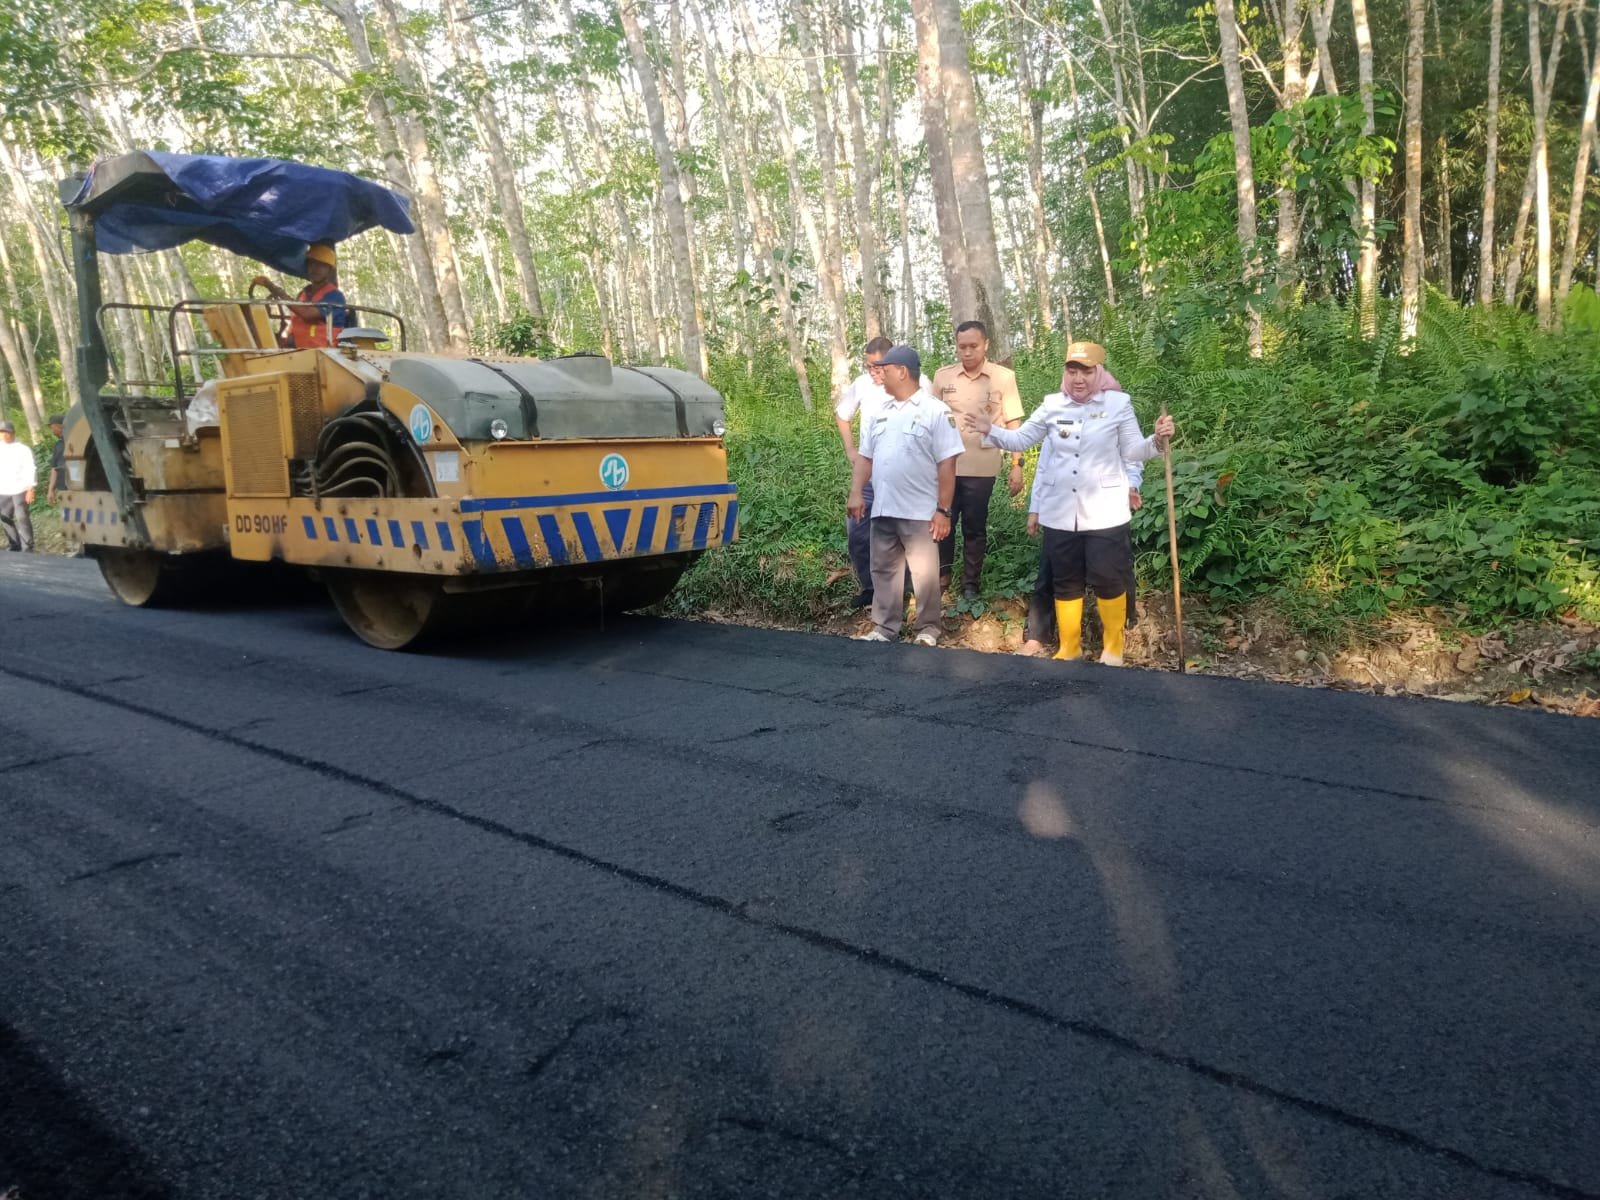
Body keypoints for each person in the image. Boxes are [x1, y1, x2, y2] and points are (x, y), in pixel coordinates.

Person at [966, 340, 1174, 666]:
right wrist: (990, 430)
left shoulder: (1118, 404)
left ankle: (1113, 648)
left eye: (1086, 371)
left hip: (1105, 511)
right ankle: (1070, 647)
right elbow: (1022, 439)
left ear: (1098, 372)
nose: (1078, 378)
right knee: (1066, 580)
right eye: (1072, 370)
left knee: (1108, 578)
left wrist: (1157, 441)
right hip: (1061, 511)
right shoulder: (1052, 405)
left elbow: (1133, 451)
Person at [847, 345, 963, 645]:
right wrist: (856, 492)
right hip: (884, 507)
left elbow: (948, 462)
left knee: (924, 573)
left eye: (884, 370)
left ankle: (928, 627)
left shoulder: (935, 410)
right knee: (883, 568)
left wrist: (944, 510)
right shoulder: (878, 413)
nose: (879, 376)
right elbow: (865, 458)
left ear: (902, 371)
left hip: (920, 510)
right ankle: (885, 627)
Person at [835, 336, 935, 608]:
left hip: (907, 475)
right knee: (858, 532)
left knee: (908, 534)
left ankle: (910, 593)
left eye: (878, 367)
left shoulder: (919, 383)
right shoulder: (863, 385)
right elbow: (843, 415)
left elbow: (933, 422)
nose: (873, 373)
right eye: (869, 367)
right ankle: (871, 589)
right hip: (871, 471)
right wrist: (851, 451)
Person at [931, 320, 1024, 599]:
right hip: (946, 465)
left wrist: (1017, 466)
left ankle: (971, 584)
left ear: (986, 345)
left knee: (974, 525)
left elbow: (1013, 422)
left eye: (973, 346)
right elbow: (928, 420)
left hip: (981, 466)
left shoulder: (1003, 377)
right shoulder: (943, 377)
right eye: (962, 347)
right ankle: (942, 577)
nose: (967, 352)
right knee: (942, 520)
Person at [250, 242, 349, 349]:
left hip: (325, 354)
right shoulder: (303, 294)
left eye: (321, 265)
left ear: (329, 270)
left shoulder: (335, 296)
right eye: (312, 264)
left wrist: (273, 288)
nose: (315, 268)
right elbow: (295, 322)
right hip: (300, 352)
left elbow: (306, 314)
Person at [0, 420, 38, 552]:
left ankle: (27, 546)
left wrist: (31, 488)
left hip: (20, 489)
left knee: (22, 516)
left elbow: (30, 468)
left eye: (6, 432)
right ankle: (14, 544)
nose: (4, 435)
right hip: (3, 490)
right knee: (4, 517)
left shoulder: (22, 449)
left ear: (13, 433)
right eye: (1, 432)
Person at [45, 413, 66, 506]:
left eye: (52, 427)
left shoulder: (75, 440)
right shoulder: (58, 445)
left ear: (59, 426)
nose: (52, 431)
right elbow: (54, 468)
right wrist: (51, 490)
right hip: (63, 488)